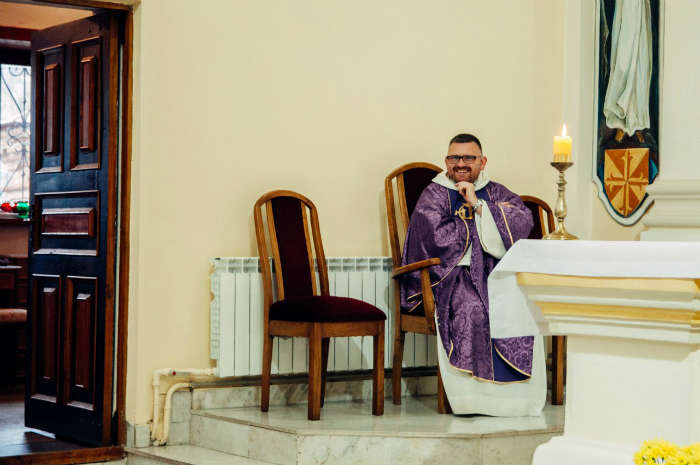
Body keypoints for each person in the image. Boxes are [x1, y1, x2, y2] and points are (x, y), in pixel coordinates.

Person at [399, 133, 546, 417]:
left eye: (468, 157)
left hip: (496, 274)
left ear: (482, 161)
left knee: (522, 306)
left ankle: (520, 400)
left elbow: (522, 220)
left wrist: (479, 205)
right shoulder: (434, 194)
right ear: (446, 161)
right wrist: (481, 221)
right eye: (455, 157)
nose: (461, 163)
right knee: (474, 309)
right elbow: (432, 237)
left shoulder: (496, 191)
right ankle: (472, 400)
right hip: (452, 276)